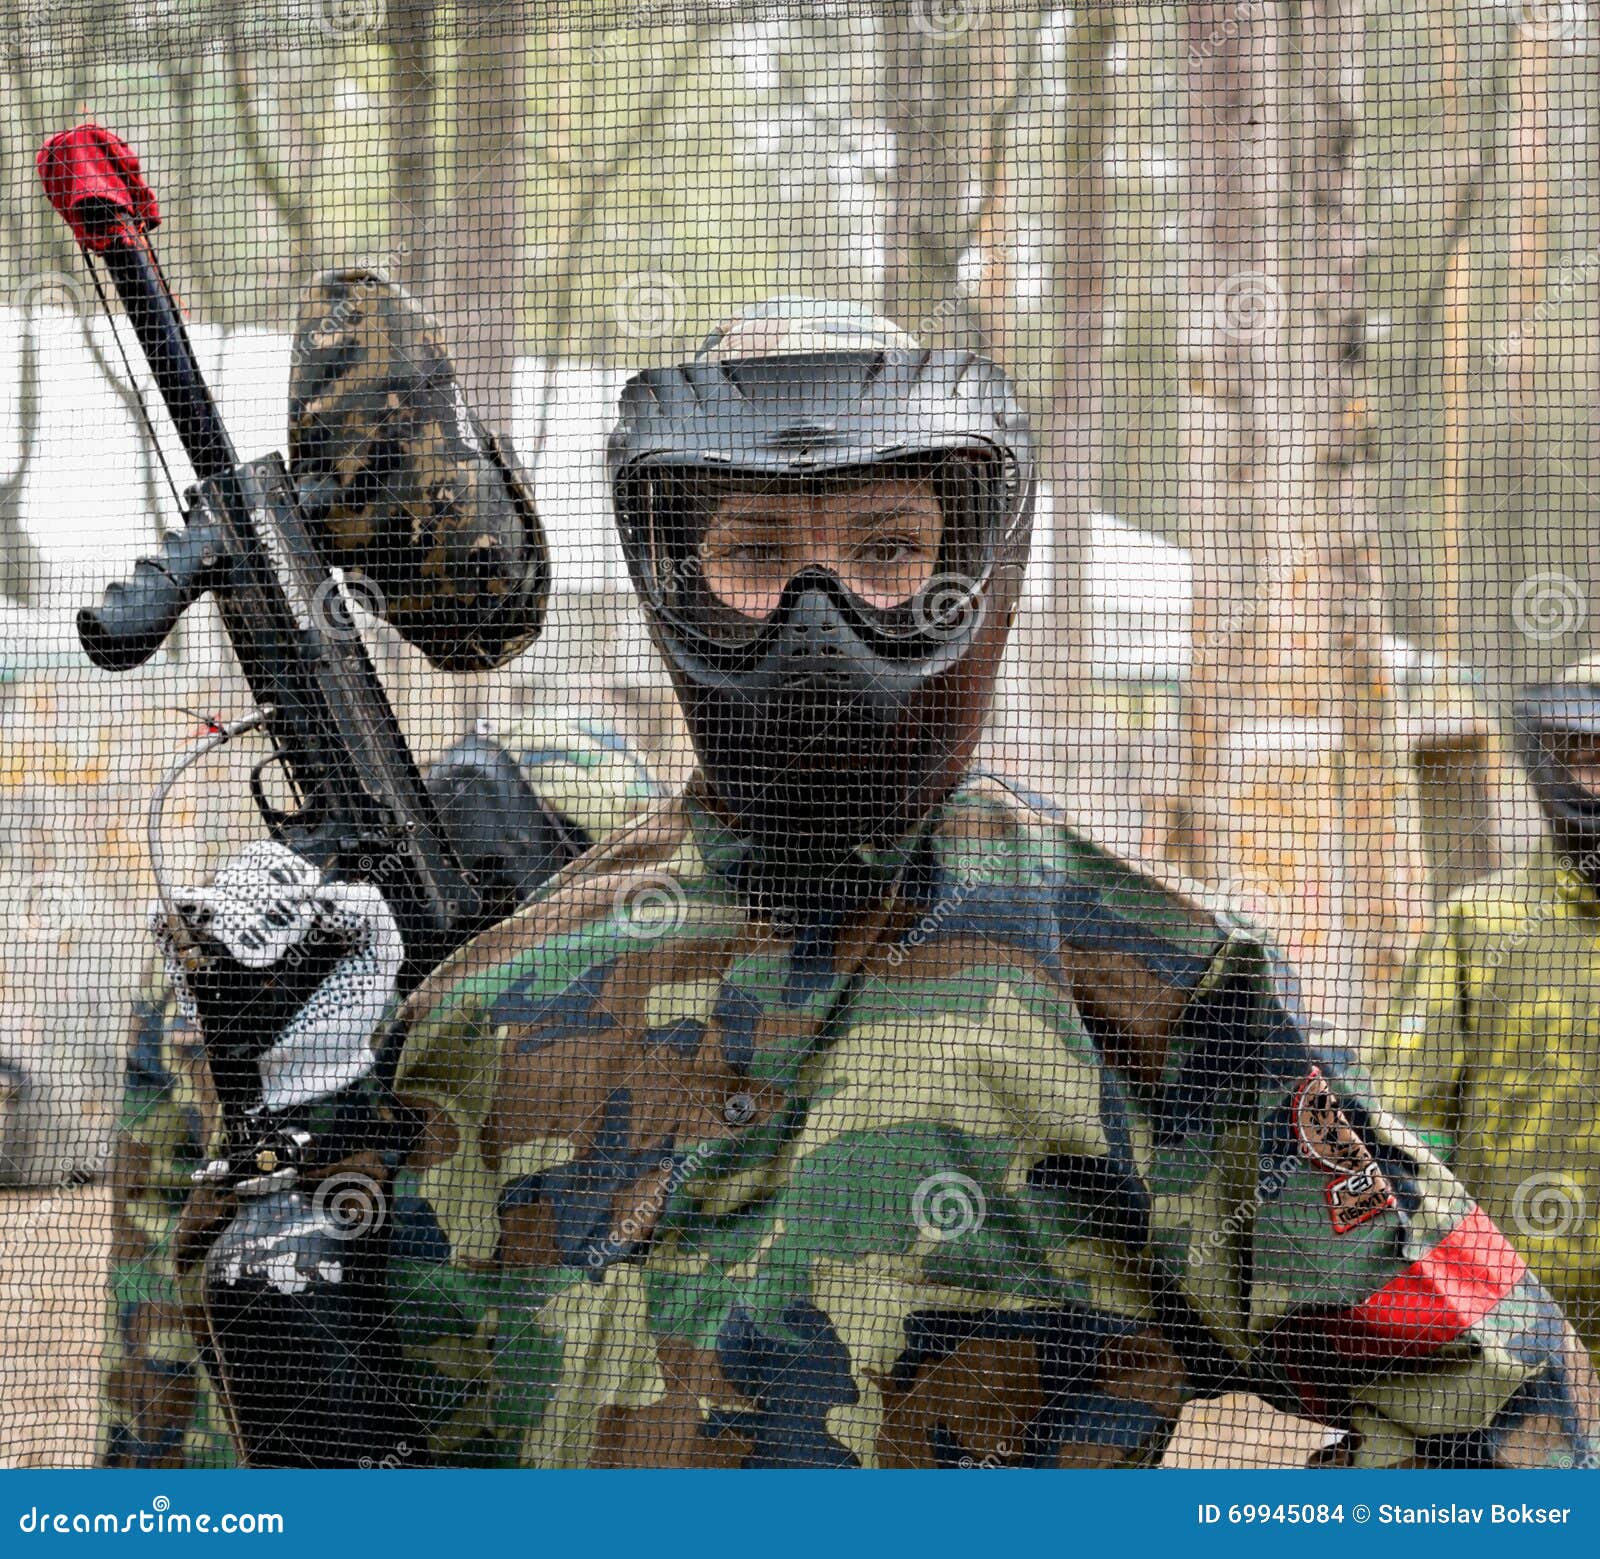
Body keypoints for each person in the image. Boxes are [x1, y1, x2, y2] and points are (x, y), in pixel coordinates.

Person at [145, 298, 1600, 1468]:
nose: (819, 612)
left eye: (888, 549)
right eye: (755, 552)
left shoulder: (1142, 986)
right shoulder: (501, 985)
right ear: (674, 575)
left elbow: (1497, 1411)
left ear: (975, 561)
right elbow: (310, 1434)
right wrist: (292, 1143)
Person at [1371, 653, 1600, 1354]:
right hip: (1519, 1337)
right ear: (1550, 764)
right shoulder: (1480, 925)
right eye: (1587, 757)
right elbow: (1401, 1128)